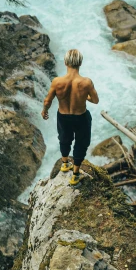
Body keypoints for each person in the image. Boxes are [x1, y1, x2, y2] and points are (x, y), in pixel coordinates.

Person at [41, 49, 99, 186]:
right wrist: (84, 96)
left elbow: (47, 101)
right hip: (81, 117)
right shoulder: (86, 82)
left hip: (63, 116)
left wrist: (44, 111)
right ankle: (75, 175)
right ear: (80, 63)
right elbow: (95, 100)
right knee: (81, 143)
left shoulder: (57, 81)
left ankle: (65, 163)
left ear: (66, 62)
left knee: (64, 139)